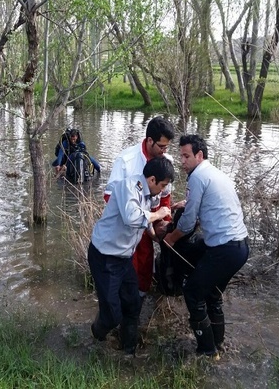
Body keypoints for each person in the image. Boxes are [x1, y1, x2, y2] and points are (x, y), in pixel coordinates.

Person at [164, 135, 249, 356]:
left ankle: (207, 352)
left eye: (186, 156)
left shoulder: (197, 177)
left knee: (192, 291)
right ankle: (218, 344)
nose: (182, 161)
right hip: (240, 248)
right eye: (181, 155)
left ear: (199, 155)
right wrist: (186, 204)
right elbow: (211, 204)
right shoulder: (215, 173)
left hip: (224, 249)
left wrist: (170, 238)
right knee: (212, 294)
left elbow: (189, 222)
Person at [89, 157, 174, 355]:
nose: (162, 191)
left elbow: (145, 223)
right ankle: (96, 336)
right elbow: (133, 218)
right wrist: (159, 214)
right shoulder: (129, 186)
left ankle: (129, 350)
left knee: (133, 303)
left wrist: (156, 236)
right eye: (162, 185)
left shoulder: (148, 193)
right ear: (152, 179)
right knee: (112, 316)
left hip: (124, 258)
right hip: (105, 257)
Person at [104, 116, 176, 296]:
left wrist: (163, 222)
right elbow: (109, 197)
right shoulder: (126, 161)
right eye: (161, 146)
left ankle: (139, 300)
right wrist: (143, 219)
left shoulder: (166, 160)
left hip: (150, 219)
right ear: (149, 140)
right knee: (126, 264)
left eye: (167, 147)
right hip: (126, 223)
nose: (164, 151)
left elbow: (165, 196)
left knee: (145, 263)